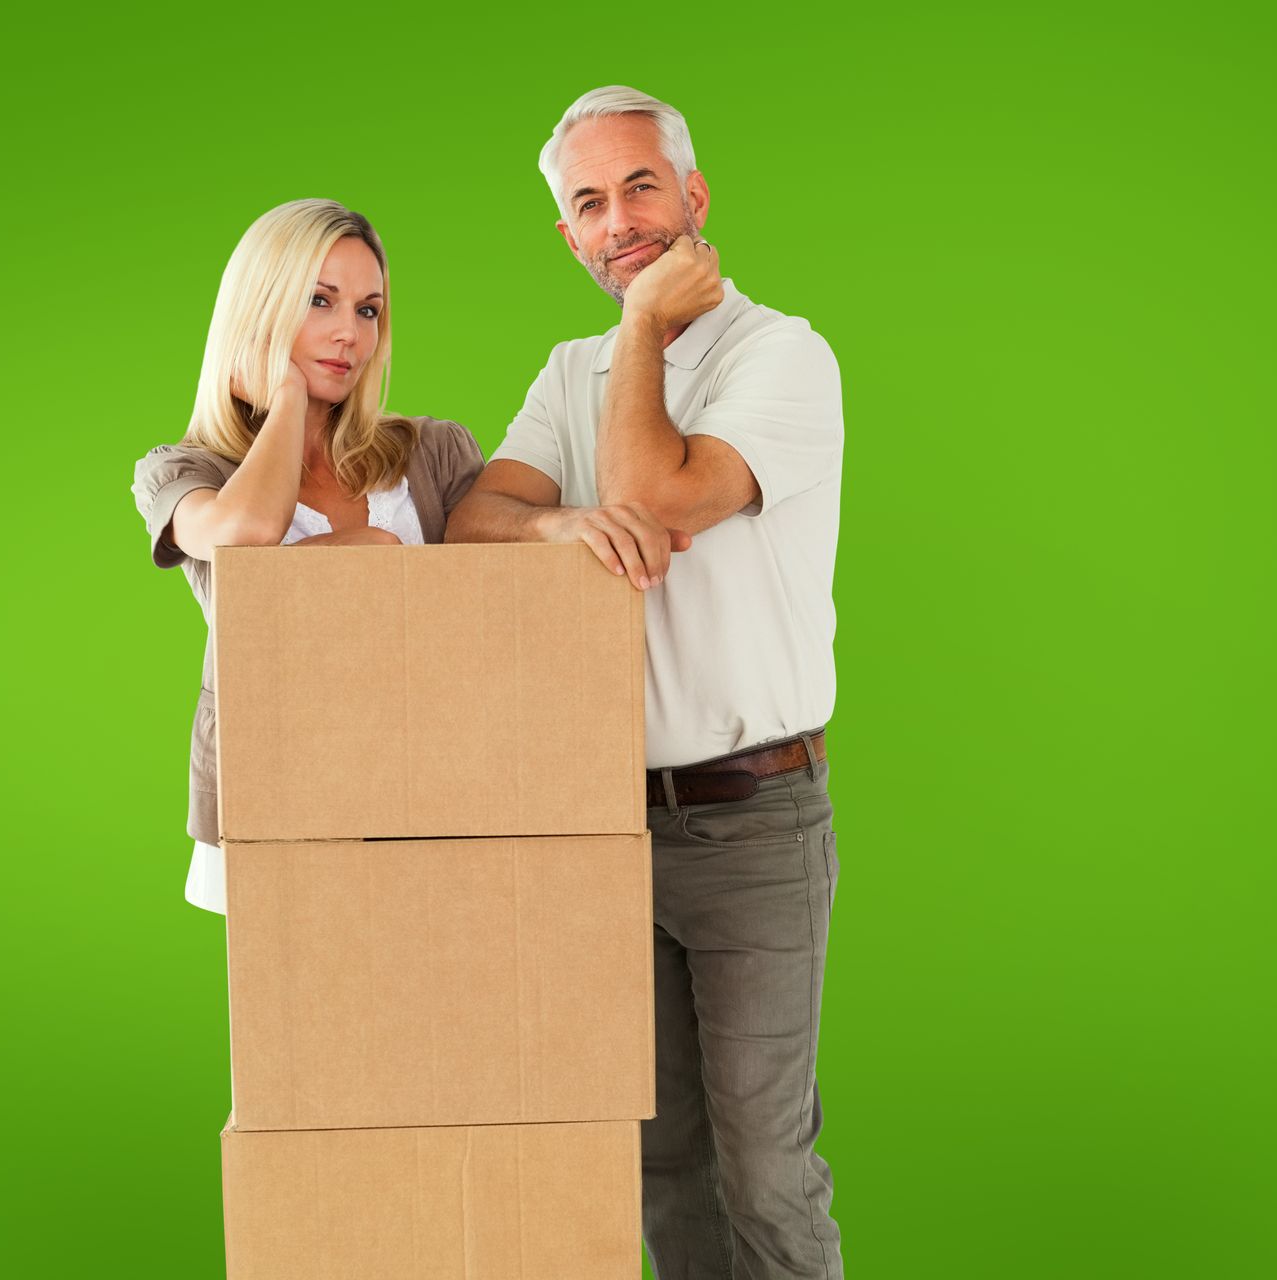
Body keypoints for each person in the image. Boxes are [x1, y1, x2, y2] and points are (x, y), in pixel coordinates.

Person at [446, 87, 846, 1278]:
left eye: (639, 187)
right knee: (661, 1159)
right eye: (588, 203)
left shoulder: (784, 354)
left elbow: (658, 500)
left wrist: (639, 334)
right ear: (566, 236)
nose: (618, 220)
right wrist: (560, 530)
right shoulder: (566, 367)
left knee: (768, 1169)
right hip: (605, 824)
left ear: (694, 198)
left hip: (754, 822)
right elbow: (476, 519)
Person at [131, 199, 484, 914]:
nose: (347, 333)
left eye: (368, 310)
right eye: (318, 301)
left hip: (430, 786)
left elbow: (486, 603)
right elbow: (242, 537)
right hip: (277, 794)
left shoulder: (434, 450)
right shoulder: (183, 473)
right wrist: (288, 392)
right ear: (258, 309)